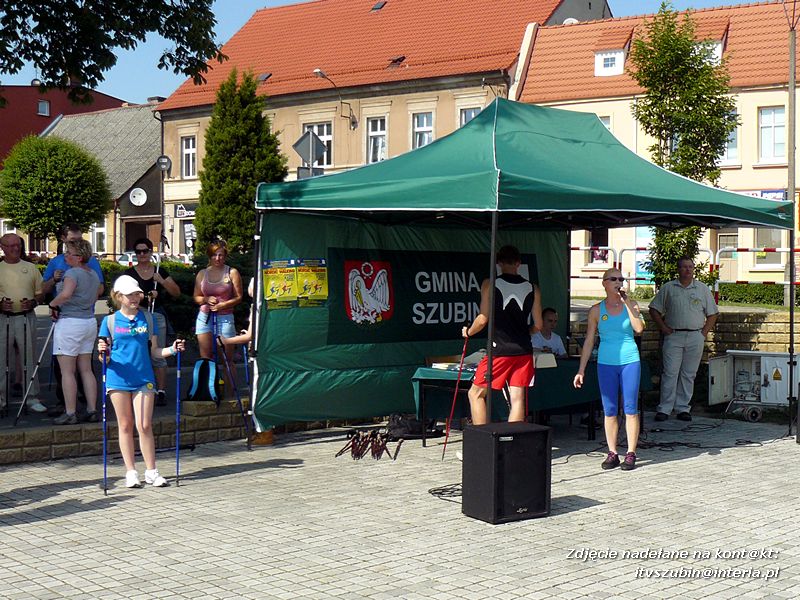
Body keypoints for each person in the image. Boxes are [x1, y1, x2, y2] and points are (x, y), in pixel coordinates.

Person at [98, 275, 186, 488]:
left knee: (144, 424)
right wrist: (103, 353)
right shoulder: (109, 321)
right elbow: (104, 357)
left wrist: (173, 350)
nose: (135, 298)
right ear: (119, 297)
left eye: (137, 294)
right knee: (125, 425)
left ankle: (152, 471)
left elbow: (155, 351)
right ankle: (130, 472)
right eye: (129, 295)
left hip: (144, 377)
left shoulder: (148, 319)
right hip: (118, 377)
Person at [461, 245, 542, 425]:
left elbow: (482, 319)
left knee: (475, 394)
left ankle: (483, 442)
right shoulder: (533, 288)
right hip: (523, 349)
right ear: (519, 264)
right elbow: (538, 325)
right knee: (517, 398)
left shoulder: (489, 283)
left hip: (499, 350)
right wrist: (525, 332)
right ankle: (513, 443)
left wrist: (468, 332)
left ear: (498, 263)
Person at [574, 268, 644, 471]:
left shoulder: (631, 304)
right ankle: (612, 452)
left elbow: (638, 329)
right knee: (610, 409)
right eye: (613, 279)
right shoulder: (596, 310)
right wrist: (581, 370)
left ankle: (631, 453)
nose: (618, 282)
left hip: (629, 360)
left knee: (630, 408)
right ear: (604, 283)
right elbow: (589, 341)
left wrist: (628, 304)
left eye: (621, 279)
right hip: (606, 362)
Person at [42, 223, 105, 417]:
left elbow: (66, 294)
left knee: (67, 370)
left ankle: (70, 412)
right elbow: (95, 294)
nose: (66, 256)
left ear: (78, 256)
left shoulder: (71, 273)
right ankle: (92, 409)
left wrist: (53, 304)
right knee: (85, 368)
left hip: (70, 321)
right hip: (87, 320)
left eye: (70, 253)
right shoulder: (92, 272)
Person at [649, 256, 719, 422]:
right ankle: (665, 408)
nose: (688, 270)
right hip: (674, 335)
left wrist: (703, 333)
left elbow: (713, 314)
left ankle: (683, 408)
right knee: (670, 373)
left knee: (689, 374)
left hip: (695, 335)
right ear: (678, 269)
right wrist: (663, 328)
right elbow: (654, 309)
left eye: (690, 267)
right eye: (684, 267)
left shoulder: (702, 289)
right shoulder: (669, 288)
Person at [125, 237, 181, 406]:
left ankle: (161, 390)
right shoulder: (129, 274)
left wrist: (161, 282)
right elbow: (121, 294)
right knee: (139, 352)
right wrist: (144, 296)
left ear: (150, 252)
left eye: (145, 251)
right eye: (138, 251)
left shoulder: (159, 271)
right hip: (137, 314)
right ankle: (141, 387)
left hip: (156, 314)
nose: (142, 254)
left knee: (158, 353)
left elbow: (176, 293)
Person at [0, 233, 47, 413]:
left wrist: (34, 302)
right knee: (1, 360)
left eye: (18, 245)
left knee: (29, 358)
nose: (15, 248)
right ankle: (1, 400)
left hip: (26, 317)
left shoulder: (31, 268)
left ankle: (32, 397)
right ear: (2, 247)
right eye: (10, 245)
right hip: (3, 318)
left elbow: (40, 293)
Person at [193, 241, 243, 370]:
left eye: (220, 255)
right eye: (214, 255)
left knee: (227, 359)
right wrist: (206, 299)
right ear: (209, 256)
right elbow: (196, 297)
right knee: (206, 359)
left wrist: (223, 305)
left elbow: (239, 297)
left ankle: (230, 389)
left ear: (225, 256)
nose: (217, 258)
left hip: (225, 317)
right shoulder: (202, 273)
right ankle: (209, 389)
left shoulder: (232, 272)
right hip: (205, 317)